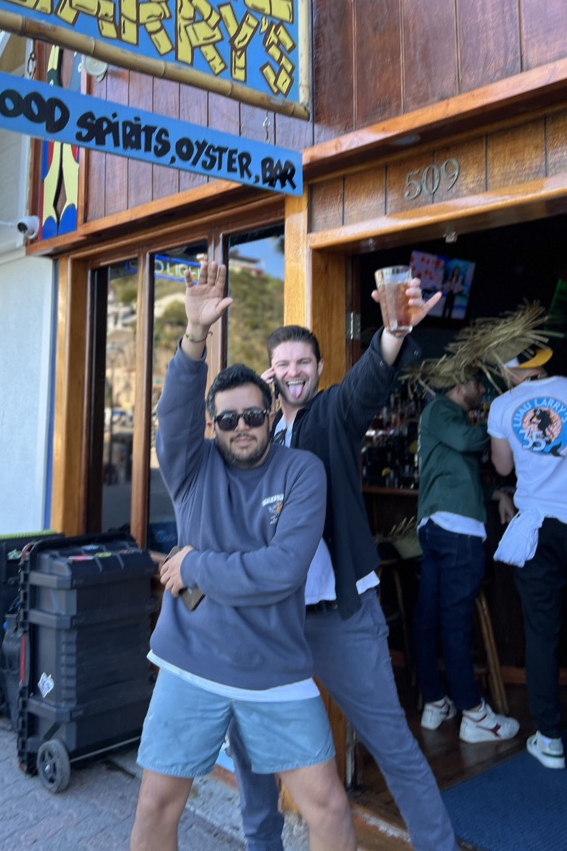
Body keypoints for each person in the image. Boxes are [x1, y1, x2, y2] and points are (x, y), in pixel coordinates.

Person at [130, 260, 357, 851]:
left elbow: (283, 571)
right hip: (190, 662)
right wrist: (195, 336)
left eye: (253, 414)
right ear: (213, 424)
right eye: (226, 418)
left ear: (272, 410)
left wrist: (196, 565)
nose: (241, 426)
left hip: (276, 668)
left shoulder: (302, 470)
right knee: (156, 804)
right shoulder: (191, 467)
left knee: (328, 808)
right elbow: (171, 415)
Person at [228, 273, 460, 851]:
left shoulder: (331, 413)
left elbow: (368, 384)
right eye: (282, 364)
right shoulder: (254, 433)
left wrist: (390, 335)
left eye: (303, 362)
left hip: (341, 617)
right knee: (251, 742)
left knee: (392, 744)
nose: (293, 372)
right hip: (273, 619)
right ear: (270, 372)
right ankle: (262, 844)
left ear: (319, 367)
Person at [487, 345, 567, 770]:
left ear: (511, 371)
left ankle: (549, 737)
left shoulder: (503, 405)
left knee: (541, 632)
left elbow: (501, 467)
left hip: (536, 525)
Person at [414, 371, 519, 741]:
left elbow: (460, 473)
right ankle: (474, 714)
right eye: (479, 386)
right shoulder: (443, 410)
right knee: (454, 623)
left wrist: (498, 495)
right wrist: (503, 422)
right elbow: (467, 442)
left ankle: (435, 702)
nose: (482, 392)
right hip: (457, 531)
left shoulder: (445, 417)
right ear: (460, 386)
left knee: (430, 618)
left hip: (439, 526)